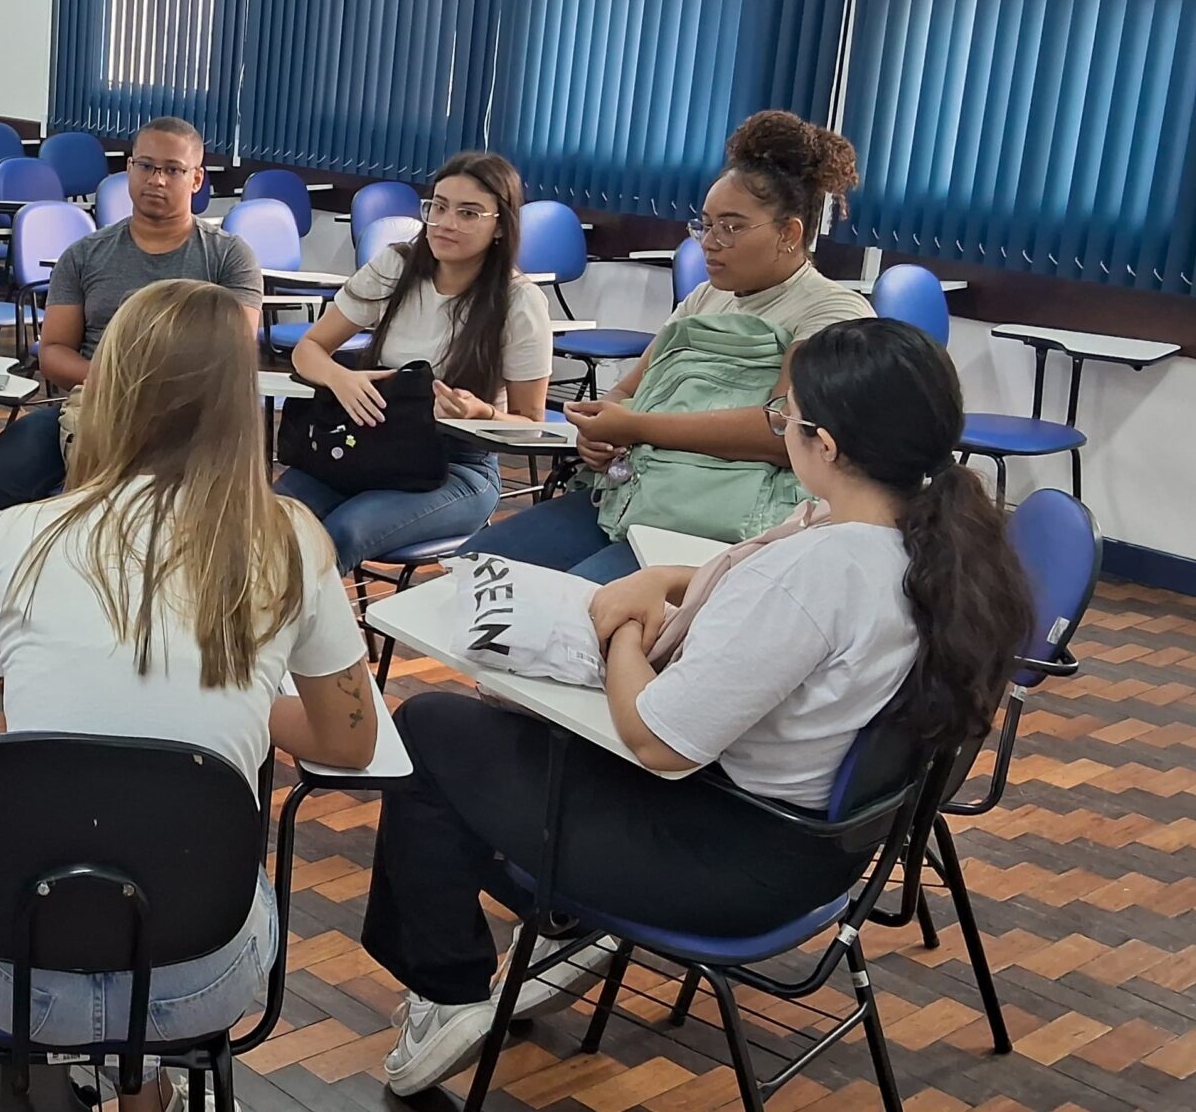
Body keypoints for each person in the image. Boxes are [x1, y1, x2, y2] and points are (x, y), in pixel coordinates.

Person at [366, 318, 1034, 1096]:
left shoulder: (825, 572)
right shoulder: (929, 540)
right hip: (814, 847)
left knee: (429, 731)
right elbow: (760, 587)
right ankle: (557, 927)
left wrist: (622, 631)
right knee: (509, 726)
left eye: (786, 417)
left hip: (728, 862)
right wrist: (664, 584)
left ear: (830, 445)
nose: (779, 428)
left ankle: (448, 992)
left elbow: (657, 742)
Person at [0, 281, 376, 1112]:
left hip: (11, 975)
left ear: (108, 384)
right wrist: (238, 702)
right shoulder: (291, 540)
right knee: (199, 853)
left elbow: (43, 708)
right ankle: (142, 1083)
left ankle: (104, 1078)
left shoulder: (12, 536)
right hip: (202, 976)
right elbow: (350, 743)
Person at [467, 111, 872, 582]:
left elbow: (783, 432)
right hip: (641, 489)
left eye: (732, 227)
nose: (710, 244)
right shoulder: (707, 296)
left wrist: (637, 426)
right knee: (477, 569)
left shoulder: (831, 312)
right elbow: (627, 392)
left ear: (789, 233)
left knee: (580, 607)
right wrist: (600, 432)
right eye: (705, 225)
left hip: (721, 516)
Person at [0, 117, 262, 684]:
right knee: (4, 470)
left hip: (187, 417)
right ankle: (7, 631)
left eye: (173, 169)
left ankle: (134, 633)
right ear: (129, 170)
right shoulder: (85, 254)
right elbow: (53, 353)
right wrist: (117, 381)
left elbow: (234, 350)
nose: (156, 179)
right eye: (146, 165)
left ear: (196, 180)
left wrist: (155, 388)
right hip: (92, 404)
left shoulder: (228, 258)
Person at [275, 151, 552, 574]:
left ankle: (298, 635)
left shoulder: (519, 301)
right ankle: (238, 634)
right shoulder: (397, 265)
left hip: (456, 466)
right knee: (269, 521)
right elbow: (308, 349)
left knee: (343, 531)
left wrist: (484, 413)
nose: (446, 223)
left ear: (500, 225)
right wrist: (340, 379)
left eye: (469, 213)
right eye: (438, 207)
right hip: (368, 447)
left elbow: (532, 425)